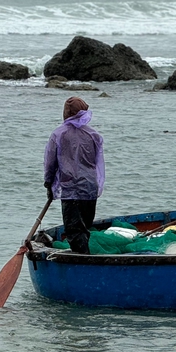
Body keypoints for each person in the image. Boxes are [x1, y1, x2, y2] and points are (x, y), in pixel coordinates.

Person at [44, 97, 105, 254]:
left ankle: (84, 263)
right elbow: (96, 163)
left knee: (74, 231)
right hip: (90, 188)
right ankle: (86, 258)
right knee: (84, 228)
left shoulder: (58, 135)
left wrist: (48, 184)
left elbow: (50, 163)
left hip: (72, 190)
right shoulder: (94, 135)